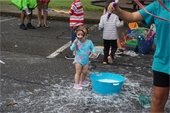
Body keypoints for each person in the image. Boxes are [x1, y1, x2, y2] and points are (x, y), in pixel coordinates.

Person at [109, 0, 170, 112]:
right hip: (163, 61)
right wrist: (118, 10)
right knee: (158, 100)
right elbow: (132, 16)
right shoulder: (159, 5)